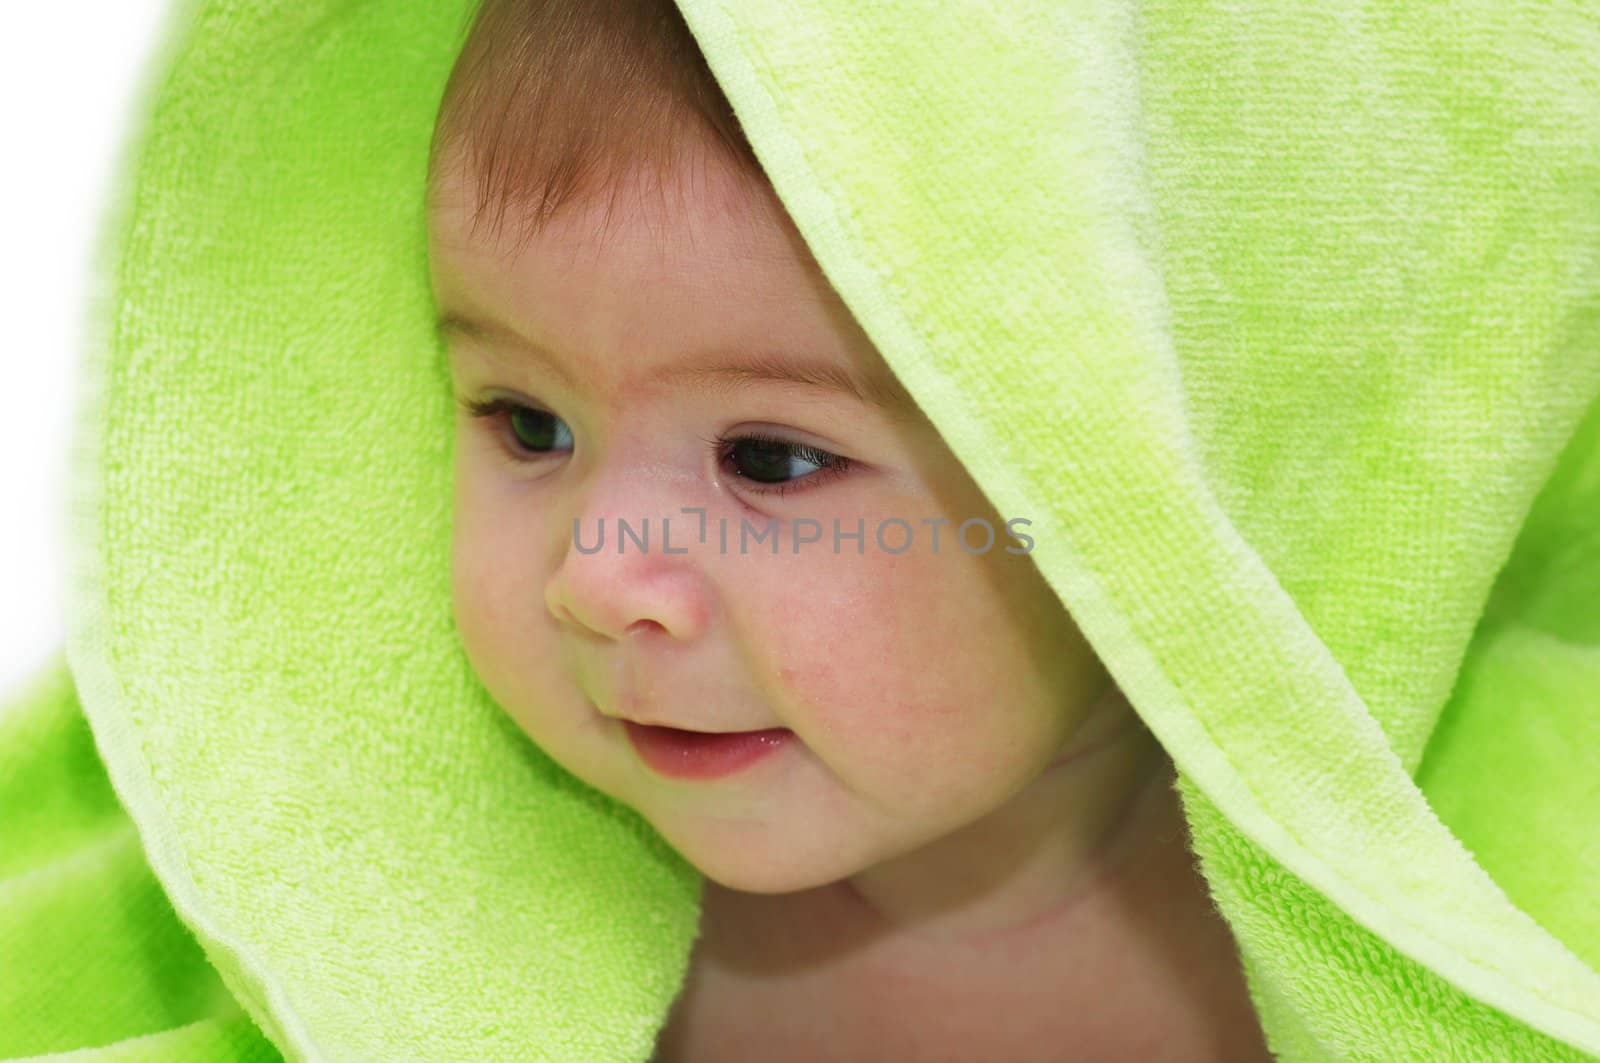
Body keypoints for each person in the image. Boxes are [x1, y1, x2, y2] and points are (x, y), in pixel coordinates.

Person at [426, 1, 1270, 1058]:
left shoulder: (1394, 952)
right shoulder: (469, 933)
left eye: (769, 458)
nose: (593, 579)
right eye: (530, 422)